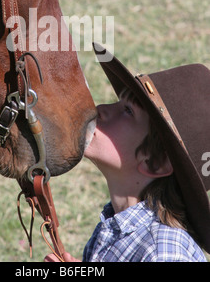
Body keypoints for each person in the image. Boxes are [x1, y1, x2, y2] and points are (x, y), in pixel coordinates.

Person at [45, 43, 210, 262]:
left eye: (127, 110)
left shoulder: (164, 252)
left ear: (155, 162)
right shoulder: (120, 228)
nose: (101, 108)